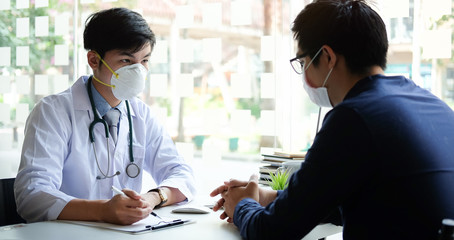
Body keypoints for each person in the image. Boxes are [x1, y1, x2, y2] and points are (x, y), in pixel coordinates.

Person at [210, 0, 454, 239]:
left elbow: (270, 231)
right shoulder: (433, 105)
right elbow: (348, 196)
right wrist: (267, 198)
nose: (303, 72)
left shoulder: (353, 117)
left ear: (327, 57)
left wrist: (242, 206)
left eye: (303, 62)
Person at [15, 8, 196, 225]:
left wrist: (154, 197)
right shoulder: (52, 112)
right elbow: (32, 196)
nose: (138, 71)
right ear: (93, 60)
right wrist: (103, 211)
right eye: (127, 61)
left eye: (144, 60)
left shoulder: (141, 114)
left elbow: (181, 173)